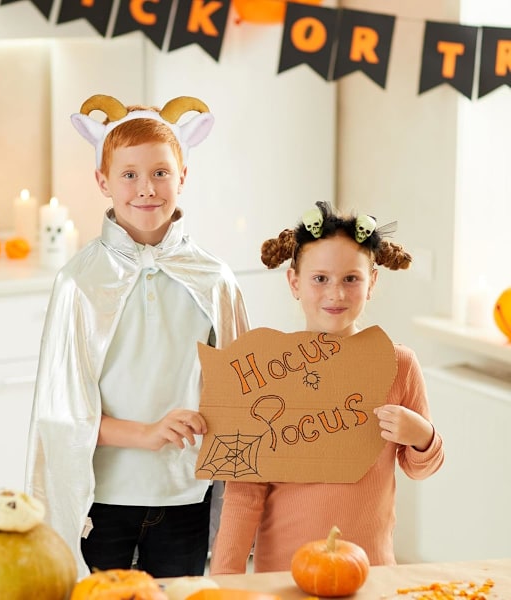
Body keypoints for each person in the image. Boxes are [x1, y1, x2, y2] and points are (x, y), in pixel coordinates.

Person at [25, 93, 249, 579]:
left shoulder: (215, 279)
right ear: (103, 182)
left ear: (183, 177)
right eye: (129, 174)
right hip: (103, 500)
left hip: (186, 494)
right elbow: (62, 412)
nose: (146, 188)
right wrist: (146, 434)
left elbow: (241, 394)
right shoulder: (78, 283)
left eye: (161, 173)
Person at [209, 201, 444, 574]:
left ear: (372, 284)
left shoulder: (399, 365)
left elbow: (421, 467)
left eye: (351, 279)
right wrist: (224, 580)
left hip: (371, 571)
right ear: (294, 283)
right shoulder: (266, 373)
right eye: (320, 279)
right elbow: (244, 492)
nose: (336, 294)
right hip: (282, 575)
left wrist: (422, 435)